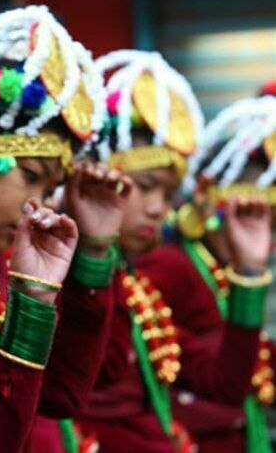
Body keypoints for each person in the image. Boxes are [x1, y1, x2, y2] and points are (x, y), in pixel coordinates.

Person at [0, 5, 123, 453]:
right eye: (30, 176)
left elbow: (60, 395)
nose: (40, 205)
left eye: (51, 189)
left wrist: (94, 251)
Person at [75, 50, 270, 452]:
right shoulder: (161, 267)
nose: (157, 208)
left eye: (167, 194)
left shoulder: (136, 289)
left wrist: (250, 272)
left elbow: (225, 384)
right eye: (145, 187)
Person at [138, 95, 276, 452]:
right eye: (248, 214)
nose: (264, 238)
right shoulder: (169, 267)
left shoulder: (228, 272)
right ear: (204, 196)